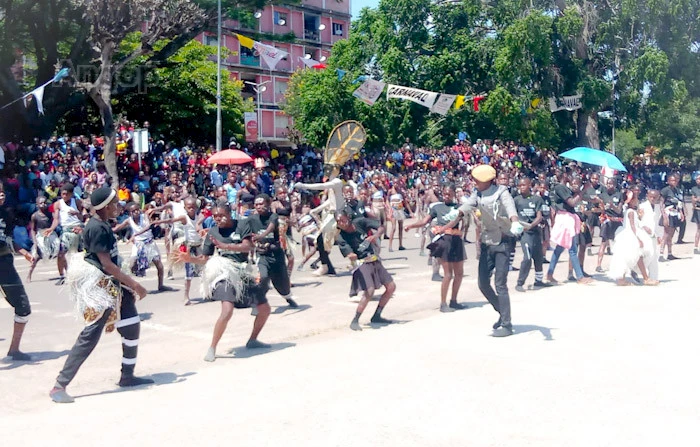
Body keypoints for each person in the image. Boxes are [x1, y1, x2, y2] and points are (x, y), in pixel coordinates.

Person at [50, 187, 151, 404]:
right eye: (115, 202)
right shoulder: (97, 228)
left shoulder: (103, 225)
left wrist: (127, 288)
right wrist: (135, 284)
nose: (119, 206)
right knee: (91, 334)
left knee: (131, 324)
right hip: (102, 287)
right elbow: (106, 264)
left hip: (115, 285)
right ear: (105, 207)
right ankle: (60, 385)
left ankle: (127, 376)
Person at [178, 204, 272, 362]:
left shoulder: (242, 225)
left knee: (265, 309)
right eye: (214, 216)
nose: (218, 219)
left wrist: (225, 246)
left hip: (242, 271)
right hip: (223, 272)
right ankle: (212, 347)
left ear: (230, 214)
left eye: (221, 215)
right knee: (227, 310)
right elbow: (205, 258)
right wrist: (190, 259)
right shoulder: (213, 232)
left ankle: (253, 340)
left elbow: (247, 247)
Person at [439, 165, 524, 337]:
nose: (475, 182)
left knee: (500, 284)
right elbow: (467, 206)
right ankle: (502, 312)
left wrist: (514, 222)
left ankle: (507, 325)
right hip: (487, 242)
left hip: (503, 242)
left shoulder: (502, 192)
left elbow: (510, 209)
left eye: (478, 180)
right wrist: (453, 216)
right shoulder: (477, 193)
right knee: (483, 283)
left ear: (487, 181)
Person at [405, 185, 467, 312]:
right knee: (448, 274)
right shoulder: (437, 207)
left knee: (459, 274)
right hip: (445, 241)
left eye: (449, 193)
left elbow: (456, 221)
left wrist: (443, 228)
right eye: (444, 193)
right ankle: (443, 303)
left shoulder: (460, 208)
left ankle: (454, 300)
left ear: (454, 194)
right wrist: (411, 226)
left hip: (456, 239)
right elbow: (424, 221)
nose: (446, 196)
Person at [336, 212, 396, 331]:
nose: (341, 224)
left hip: (373, 258)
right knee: (369, 291)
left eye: (343, 220)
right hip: (361, 263)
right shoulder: (341, 237)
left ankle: (377, 315)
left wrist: (376, 235)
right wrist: (351, 255)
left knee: (391, 287)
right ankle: (355, 320)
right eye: (338, 222)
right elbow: (348, 251)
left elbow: (381, 226)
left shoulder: (359, 222)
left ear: (348, 218)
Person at [239, 194, 299, 309]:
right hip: (262, 255)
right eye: (256, 204)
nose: (259, 206)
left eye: (261, 204)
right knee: (263, 277)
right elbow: (241, 227)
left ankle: (287, 297)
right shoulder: (251, 219)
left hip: (276, 254)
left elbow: (270, 228)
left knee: (283, 284)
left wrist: (261, 236)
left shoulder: (274, 216)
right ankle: (258, 300)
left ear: (267, 204)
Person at [0, 184, 35, 361]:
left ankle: (14, 350)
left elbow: (8, 240)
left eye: (1, 191)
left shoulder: (6, 214)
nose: (0, 194)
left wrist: (25, 253)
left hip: (5, 265)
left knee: (23, 307)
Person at [112, 204, 175, 292]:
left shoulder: (145, 216)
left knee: (159, 265)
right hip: (138, 244)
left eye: (138, 210)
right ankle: (129, 285)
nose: (137, 212)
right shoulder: (129, 220)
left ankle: (161, 285)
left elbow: (149, 226)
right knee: (131, 264)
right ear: (130, 213)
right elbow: (119, 226)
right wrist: (110, 230)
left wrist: (136, 234)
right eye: (134, 211)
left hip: (149, 243)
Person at [548, 174, 594, 285]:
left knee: (559, 248)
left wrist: (589, 195)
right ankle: (579, 277)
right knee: (572, 249)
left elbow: (578, 198)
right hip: (565, 219)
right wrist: (584, 190)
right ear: (565, 176)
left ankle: (550, 274)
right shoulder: (560, 187)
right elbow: (572, 202)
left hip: (568, 219)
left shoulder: (566, 189)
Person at [608, 187, 659, 286]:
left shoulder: (630, 211)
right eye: (635, 199)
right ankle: (645, 278)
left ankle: (622, 279)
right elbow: (632, 226)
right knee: (637, 255)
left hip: (627, 235)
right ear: (631, 201)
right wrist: (638, 239)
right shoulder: (631, 212)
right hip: (631, 235)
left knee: (626, 257)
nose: (637, 201)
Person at [513, 178, 551, 291]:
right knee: (527, 257)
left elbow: (539, 216)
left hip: (535, 232)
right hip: (524, 234)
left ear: (530, 185)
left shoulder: (537, 199)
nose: (522, 187)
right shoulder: (516, 200)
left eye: (524, 185)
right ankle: (519, 283)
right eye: (519, 186)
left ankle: (538, 281)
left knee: (538, 257)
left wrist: (531, 225)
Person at [45, 183, 87, 285]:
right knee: (60, 254)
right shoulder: (58, 204)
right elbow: (56, 219)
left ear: (71, 194)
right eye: (62, 194)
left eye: (66, 194)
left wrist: (77, 214)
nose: (64, 196)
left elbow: (85, 218)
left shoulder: (77, 202)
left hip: (78, 229)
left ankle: (83, 274)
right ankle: (62, 276)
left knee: (83, 254)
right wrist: (51, 228)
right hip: (66, 231)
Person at [27, 196, 59, 282]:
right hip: (40, 236)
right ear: (37, 205)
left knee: (60, 252)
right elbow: (33, 230)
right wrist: (35, 242)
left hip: (50, 234)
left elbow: (56, 220)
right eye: (41, 203)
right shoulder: (35, 216)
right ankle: (29, 274)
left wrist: (51, 229)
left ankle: (65, 273)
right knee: (36, 257)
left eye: (45, 202)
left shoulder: (49, 214)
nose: (43, 205)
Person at [595, 178, 624, 272]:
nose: (609, 185)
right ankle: (598, 265)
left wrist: (612, 206)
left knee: (619, 243)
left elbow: (619, 211)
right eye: (608, 184)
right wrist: (602, 208)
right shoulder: (602, 195)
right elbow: (598, 210)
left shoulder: (619, 195)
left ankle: (620, 264)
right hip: (607, 220)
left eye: (611, 184)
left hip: (617, 220)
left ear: (615, 185)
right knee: (603, 242)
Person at [659, 174, 685, 261]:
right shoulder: (665, 190)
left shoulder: (677, 190)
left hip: (675, 212)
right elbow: (661, 203)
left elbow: (679, 203)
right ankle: (661, 254)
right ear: (669, 181)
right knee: (666, 234)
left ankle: (670, 253)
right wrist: (664, 215)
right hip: (668, 213)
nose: (674, 182)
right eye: (672, 180)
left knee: (671, 235)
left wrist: (681, 213)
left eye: (675, 180)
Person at [691, 176, 700, 255]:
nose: (698, 180)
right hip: (698, 210)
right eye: (697, 179)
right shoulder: (694, 189)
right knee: (699, 229)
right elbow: (693, 199)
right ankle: (696, 247)